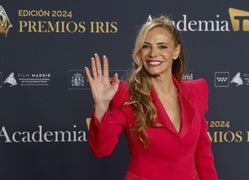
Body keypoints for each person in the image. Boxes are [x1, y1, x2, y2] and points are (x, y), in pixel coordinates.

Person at [85, 16, 218, 180]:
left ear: (176, 51)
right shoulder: (125, 94)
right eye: (146, 47)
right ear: (140, 52)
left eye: (162, 47)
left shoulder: (197, 90)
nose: (153, 53)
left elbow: (203, 156)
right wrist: (101, 106)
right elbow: (101, 149)